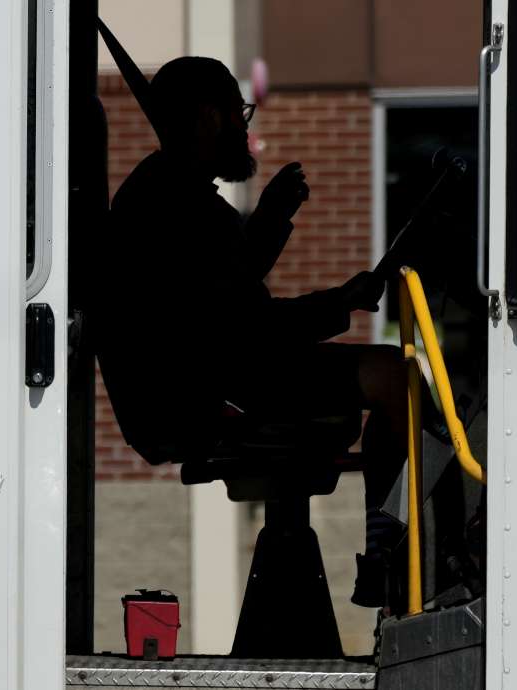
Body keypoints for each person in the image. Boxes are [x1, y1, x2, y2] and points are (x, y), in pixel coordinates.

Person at [95, 57, 407, 605]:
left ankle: (388, 550)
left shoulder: (162, 194)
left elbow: (225, 291)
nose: (245, 126)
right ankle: (390, 556)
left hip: (201, 385)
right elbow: (252, 327)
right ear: (211, 118)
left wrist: (270, 220)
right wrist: (341, 303)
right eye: (240, 112)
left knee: (383, 372)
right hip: (211, 396)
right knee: (393, 379)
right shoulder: (178, 208)